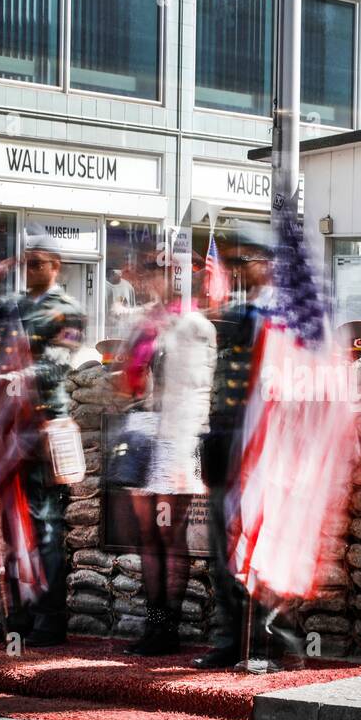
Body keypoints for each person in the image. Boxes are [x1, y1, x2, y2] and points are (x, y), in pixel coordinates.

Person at [0, 229, 85, 648]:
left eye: (36, 263)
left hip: (43, 427)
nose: (28, 269)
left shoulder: (67, 311)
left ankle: (51, 621)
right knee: (12, 528)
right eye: (24, 262)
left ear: (55, 265)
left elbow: (53, 369)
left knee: (45, 526)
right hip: (10, 427)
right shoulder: (12, 304)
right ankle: (18, 619)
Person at [192, 222, 299, 670]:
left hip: (266, 447)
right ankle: (232, 638)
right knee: (224, 547)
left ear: (269, 264)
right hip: (228, 441)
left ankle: (273, 640)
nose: (235, 270)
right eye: (231, 262)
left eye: (243, 261)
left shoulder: (287, 316)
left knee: (264, 543)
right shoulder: (238, 313)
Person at [119, 245, 218, 656]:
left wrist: (186, 448)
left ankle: (167, 627)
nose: (148, 281)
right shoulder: (151, 323)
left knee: (168, 536)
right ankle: (154, 623)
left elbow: (195, 391)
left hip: (179, 438)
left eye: (156, 273)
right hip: (147, 431)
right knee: (147, 536)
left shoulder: (194, 326)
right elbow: (130, 382)